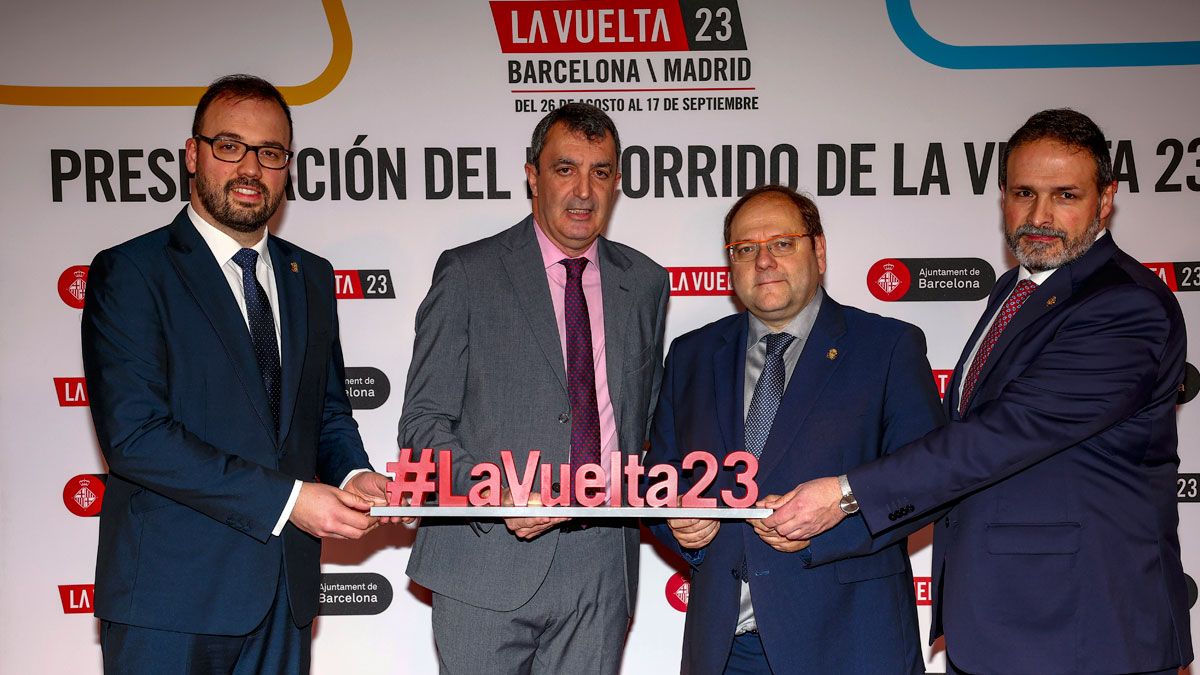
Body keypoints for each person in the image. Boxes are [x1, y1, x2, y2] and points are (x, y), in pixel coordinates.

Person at [762, 109, 1193, 674]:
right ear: (1002, 196)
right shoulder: (1014, 291)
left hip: (1086, 633)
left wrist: (843, 495)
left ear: (1105, 199)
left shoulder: (1124, 305)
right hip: (1003, 628)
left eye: (1065, 194)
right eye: (1023, 193)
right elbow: (963, 445)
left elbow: (1004, 435)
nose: (1040, 216)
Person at [82, 74, 395, 674]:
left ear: (287, 169)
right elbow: (136, 438)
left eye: (270, 153)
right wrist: (290, 499)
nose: (250, 168)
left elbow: (325, 411)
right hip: (169, 604)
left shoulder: (312, 276)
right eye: (230, 146)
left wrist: (356, 473)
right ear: (193, 155)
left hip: (284, 598)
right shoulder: (131, 272)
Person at [399, 102, 669, 674]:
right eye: (564, 168)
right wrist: (496, 494)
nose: (583, 191)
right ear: (531, 174)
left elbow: (644, 424)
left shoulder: (645, 282)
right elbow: (423, 424)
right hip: (484, 555)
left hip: (601, 560)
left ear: (617, 182)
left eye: (600, 172)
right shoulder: (467, 273)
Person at [643, 184, 943, 674]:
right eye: (746, 249)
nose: (763, 261)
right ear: (731, 264)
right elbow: (657, 478)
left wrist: (833, 520)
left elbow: (927, 480)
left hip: (848, 644)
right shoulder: (691, 355)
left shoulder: (887, 347)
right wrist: (677, 522)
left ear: (818, 251)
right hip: (723, 650)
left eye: (782, 243)